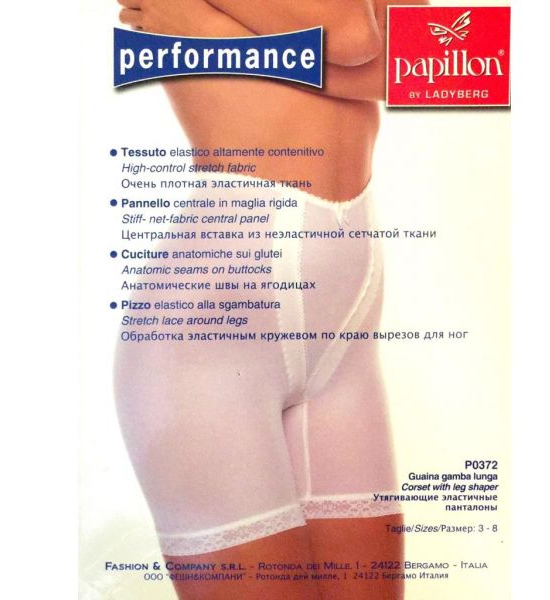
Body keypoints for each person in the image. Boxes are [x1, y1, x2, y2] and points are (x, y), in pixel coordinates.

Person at [115, 1, 426, 598]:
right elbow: (354, 37)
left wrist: (213, 36)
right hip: (209, 341)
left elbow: (430, 64)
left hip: (345, 342)